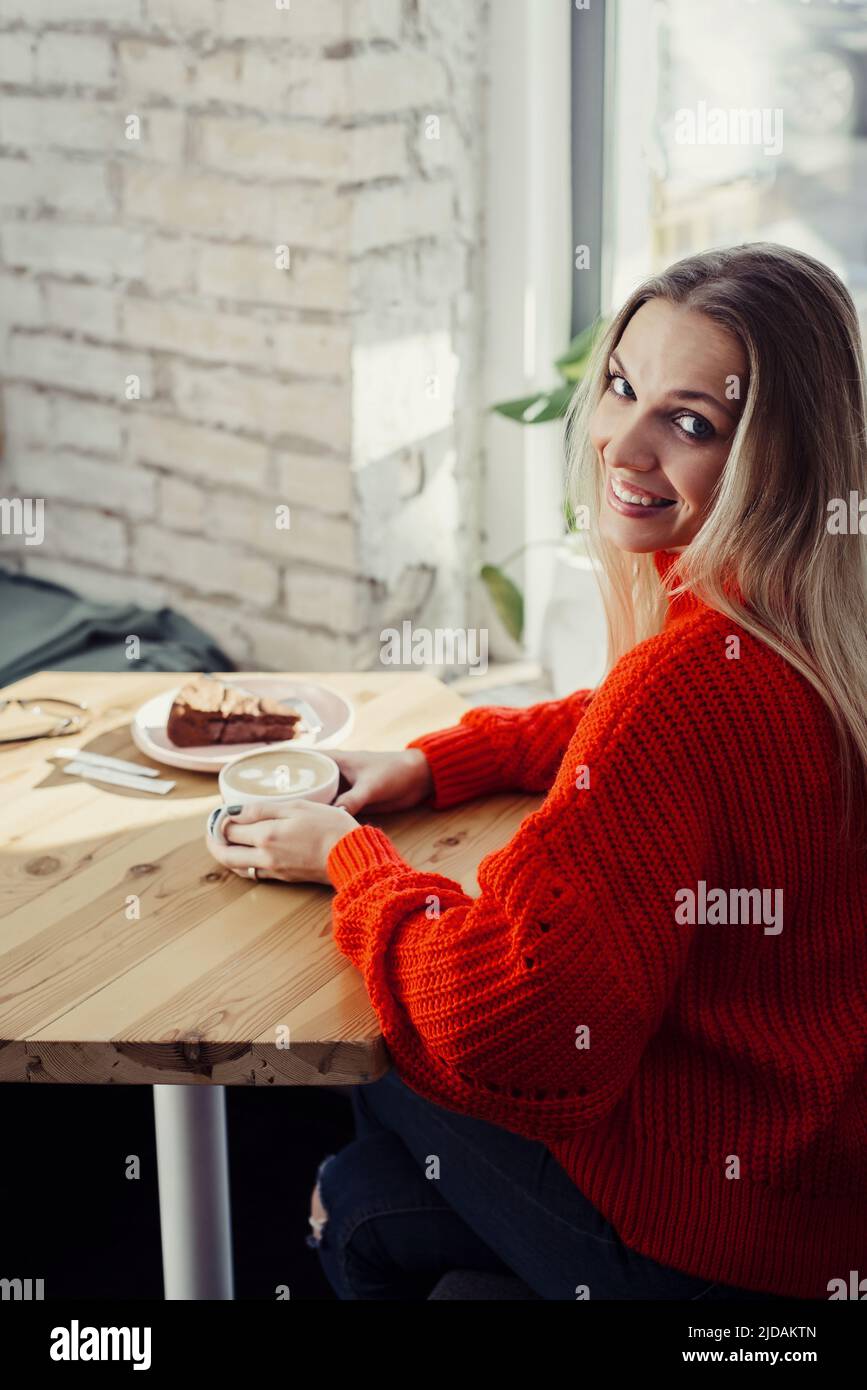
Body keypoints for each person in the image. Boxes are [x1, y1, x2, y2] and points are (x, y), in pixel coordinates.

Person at [207, 244, 867, 1300]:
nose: (623, 443)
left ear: (776, 456)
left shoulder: (688, 683)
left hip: (709, 1239)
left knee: (384, 1088)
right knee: (376, 1187)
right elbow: (643, 728)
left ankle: (342, 1216)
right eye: (621, 387)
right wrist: (437, 764)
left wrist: (356, 865)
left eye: (691, 423)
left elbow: (515, 1023)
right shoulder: (821, 620)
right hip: (822, 1197)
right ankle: (359, 1215)